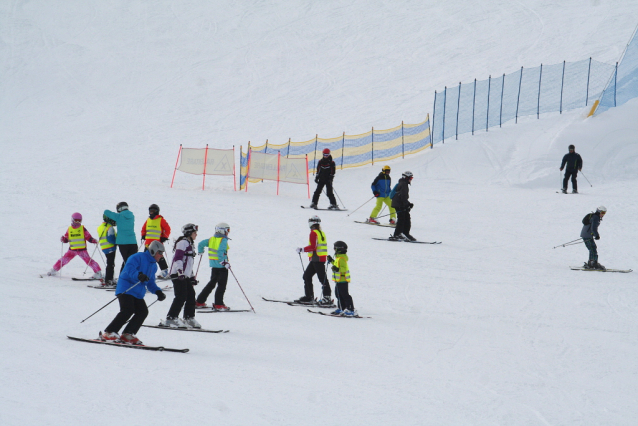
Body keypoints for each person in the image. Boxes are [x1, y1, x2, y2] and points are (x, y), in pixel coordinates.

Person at [100, 240, 167, 345]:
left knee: (143, 311)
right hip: (126, 288)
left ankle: (128, 334)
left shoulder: (153, 266)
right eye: (160, 253)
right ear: (153, 251)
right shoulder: (137, 257)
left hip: (138, 292)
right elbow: (129, 269)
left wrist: (158, 292)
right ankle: (109, 332)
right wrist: (139, 275)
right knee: (128, 310)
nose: (161, 256)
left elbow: (151, 282)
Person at [163, 224, 201, 328]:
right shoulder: (183, 243)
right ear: (189, 233)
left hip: (184, 275)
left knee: (191, 295)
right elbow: (178, 258)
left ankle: (189, 317)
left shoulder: (189, 243)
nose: (196, 235)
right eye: (194, 233)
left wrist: (191, 276)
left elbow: (189, 262)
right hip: (178, 274)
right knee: (181, 296)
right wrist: (180, 271)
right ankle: (171, 318)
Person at [47, 213, 102, 279]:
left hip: (82, 250)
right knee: (63, 260)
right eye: (76, 220)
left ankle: (98, 273)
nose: (78, 222)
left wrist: (93, 240)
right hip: (72, 250)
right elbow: (67, 239)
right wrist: (64, 239)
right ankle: (54, 270)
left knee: (89, 261)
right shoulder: (70, 229)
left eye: (79, 220)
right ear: (72, 220)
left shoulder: (82, 229)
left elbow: (88, 237)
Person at [295, 215, 332, 305]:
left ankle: (326, 298)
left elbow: (313, 247)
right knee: (307, 276)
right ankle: (309, 296)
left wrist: (302, 249)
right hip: (318, 258)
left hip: (317, 259)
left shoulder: (313, 233)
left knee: (321, 278)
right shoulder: (321, 232)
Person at [195, 223, 232, 311]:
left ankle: (200, 301)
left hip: (214, 266)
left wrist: (200, 251)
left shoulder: (212, 239)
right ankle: (218, 304)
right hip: (222, 267)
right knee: (221, 285)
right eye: (228, 230)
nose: (228, 233)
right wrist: (223, 262)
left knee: (211, 284)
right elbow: (220, 251)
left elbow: (200, 244)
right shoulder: (223, 240)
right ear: (222, 231)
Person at [104, 202, 138, 273]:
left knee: (127, 261)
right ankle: (127, 278)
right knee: (131, 261)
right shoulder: (132, 216)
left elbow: (106, 212)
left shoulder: (118, 216)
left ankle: (123, 279)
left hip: (122, 243)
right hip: (133, 242)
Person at [141, 204, 171, 278]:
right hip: (148, 243)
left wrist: (164, 237)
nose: (151, 212)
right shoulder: (148, 220)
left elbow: (168, 229)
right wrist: (143, 235)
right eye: (150, 211)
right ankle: (146, 272)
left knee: (159, 257)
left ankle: (165, 271)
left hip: (157, 244)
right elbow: (143, 229)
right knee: (146, 258)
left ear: (157, 211)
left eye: (153, 211)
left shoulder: (161, 219)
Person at [327, 241, 357, 316]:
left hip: (343, 280)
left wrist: (337, 269)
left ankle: (350, 309)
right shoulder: (338, 258)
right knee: (338, 294)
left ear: (338, 249)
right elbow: (337, 265)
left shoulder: (342, 258)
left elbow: (344, 268)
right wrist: (331, 261)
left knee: (345, 295)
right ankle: (342, 307)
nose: (334, 249)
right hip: (338, 280)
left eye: (335, 248)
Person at [390, 171, 415, 241]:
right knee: (402, 219)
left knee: (405, 218)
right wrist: (407, 205)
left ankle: (404, 233)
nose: (411, 179)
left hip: (399, 203)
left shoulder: (402, 183)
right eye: (410, 178)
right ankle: (398, 234)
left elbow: (403, 196)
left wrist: (408, 204)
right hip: (399, 204)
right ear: (406, 177)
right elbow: (403, 196)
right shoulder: (404, 184)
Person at [580, 206, 607, 270]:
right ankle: (593, 263)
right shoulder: (596, 218)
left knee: (592, 248)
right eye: (602, 212)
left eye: (604, 213)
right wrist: (596, 235)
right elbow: (593, 228)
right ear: (599, 212)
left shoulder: (594, 216)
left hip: (586, 234)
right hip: (587, 235)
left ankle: (591, 262)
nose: (603, 214)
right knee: (592, 249)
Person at [97, 214, 117, 286]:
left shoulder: (100, 227)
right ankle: (108, 280)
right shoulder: (109, 227)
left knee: (109, 263)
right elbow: (111, 238)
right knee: (110, 264)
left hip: (104, 247)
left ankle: (109, 278)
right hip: (110, 247)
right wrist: (117, 242)